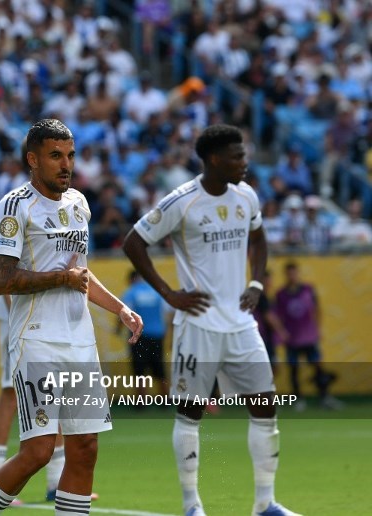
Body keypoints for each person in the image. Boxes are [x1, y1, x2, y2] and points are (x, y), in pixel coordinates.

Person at [123, 124, 301, 516]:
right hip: (198, 324)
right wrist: (169, 294)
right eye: (237, 156)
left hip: (240, 323)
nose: (245, 162)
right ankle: (192, 505)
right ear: (214, 159)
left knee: (266, 407)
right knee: (190, 413)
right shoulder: (181, 202)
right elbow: (133, 242)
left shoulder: (247, 195)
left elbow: (259, 236)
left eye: (245, 155)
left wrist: (255, 282)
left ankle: (265, 503)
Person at [0, 119, 144, 515]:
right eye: (55, 156)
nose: (65, 164)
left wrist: (119, 306)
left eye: (70, 156)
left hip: (79, 340)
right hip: (36, 339)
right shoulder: (15, 206)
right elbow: (1, 279)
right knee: (38, 451)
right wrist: (62, 278)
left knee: (85, 447)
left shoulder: (79, 204)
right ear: (32, 159)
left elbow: (80, 273)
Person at [0, 295, 66, 505]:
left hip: (48, 320)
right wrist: (19, 315)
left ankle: (57, 483)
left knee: (51, 392)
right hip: (21, 319)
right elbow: (4, 271)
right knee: (11, 391)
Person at [273, 262, 342, 411]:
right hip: (292, 338)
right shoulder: (281, 294)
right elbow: (276, 315)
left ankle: (324, 397)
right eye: (289, 273)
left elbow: (317, 309)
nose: (292, 276)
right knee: (294, 369)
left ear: (298, 273)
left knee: (317, 367)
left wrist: (317, 329)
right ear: (286, 274)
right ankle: (298, 399)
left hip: (309, 336)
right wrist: (281, 332)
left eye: (295, 272)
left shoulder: (308, 290)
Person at [119, 270, 170, 402]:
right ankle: (165, 399)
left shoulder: (131, 292)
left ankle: (141, 401)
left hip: (139, 336)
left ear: (131, 280)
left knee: (139, 369)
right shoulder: (156, 292)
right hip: (157, 335)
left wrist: (117, 329)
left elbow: (124, 313)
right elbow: (168, 312)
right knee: (159, 368)